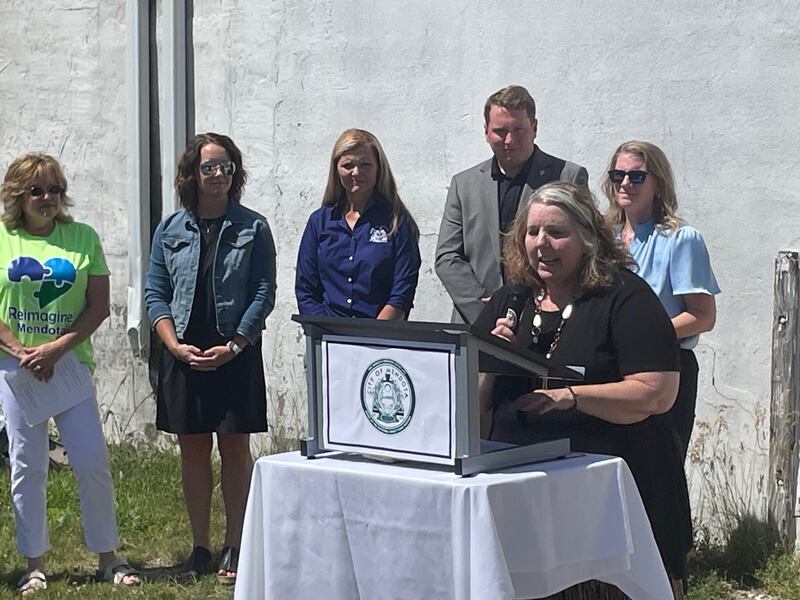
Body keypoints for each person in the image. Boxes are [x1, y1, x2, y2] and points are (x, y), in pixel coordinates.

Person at [473, 182, 690, 598]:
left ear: (588, 237)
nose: (541, 244)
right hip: (523, 504)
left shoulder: (623, 297)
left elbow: (657, 392)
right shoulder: (511, 300)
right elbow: (471, 405)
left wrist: (573, 396)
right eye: (532, 232)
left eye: (556, 232)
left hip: (611, 506)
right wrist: (492, 360)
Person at [0, 153, 140, 594]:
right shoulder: (2, 239)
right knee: (28, 465)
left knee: (91, 460)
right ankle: (35, 564)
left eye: (54, 189)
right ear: (17, 196)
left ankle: (108, 557)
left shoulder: (82, 238)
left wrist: (57, 349)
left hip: (70, 368)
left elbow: (98, 305)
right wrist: (22, 351)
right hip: (17, 370)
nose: (47, 198)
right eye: (37, 190)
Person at [144, 133, 276, 584]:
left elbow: (263, 291)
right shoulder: (170, 229)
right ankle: (201, 547)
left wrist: (237, 343)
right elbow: (155, 294)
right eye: (209, 168)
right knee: (193, 447)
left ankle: (235, 544)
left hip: (234, 351)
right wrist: (173, 345)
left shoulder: (253, 227)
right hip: (185, 353)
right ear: (191, 174)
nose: (218, 175)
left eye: (226, 167)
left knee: (235, 449)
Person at [602, 141, 720, 459]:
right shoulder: (601, 238)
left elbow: (702, 316)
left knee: (658, 475)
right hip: (610, 368)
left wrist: (645, 337)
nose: (625, 183)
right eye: (618, 175)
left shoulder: (680, 239)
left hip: (664, 369)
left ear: (658, 183)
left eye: (637, 176)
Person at [435, 84, 588, 325]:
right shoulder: (463, 185)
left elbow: (582, 248)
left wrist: (521, 309)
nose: (509, 140)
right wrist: (486, 309)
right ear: (486, 131)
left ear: (534, 128)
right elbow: (447, 256)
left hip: (543, 319)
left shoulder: (568, 177)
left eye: (519, 129)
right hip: (475, 322)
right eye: (500, 131)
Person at [295, 128, 421, 319]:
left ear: (379, 168)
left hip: (379, 338)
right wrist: (327, 333)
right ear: (336, 169)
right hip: (327, 336)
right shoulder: (319, 222)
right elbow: (306, 291)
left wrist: (370, 340)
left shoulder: (398, 223)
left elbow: (401, 295)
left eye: (365, 165)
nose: (356, 172)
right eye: (348, 165)